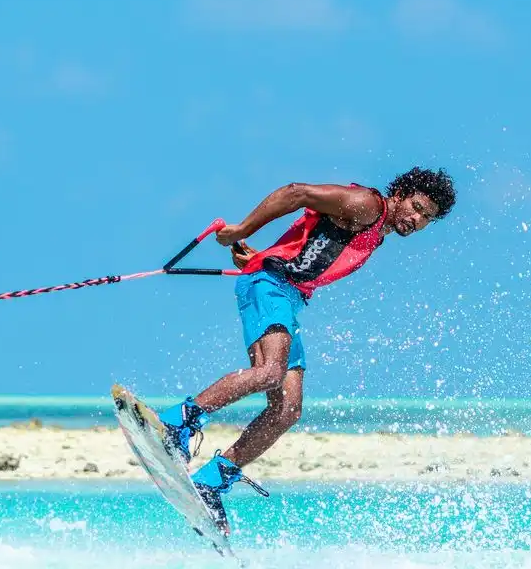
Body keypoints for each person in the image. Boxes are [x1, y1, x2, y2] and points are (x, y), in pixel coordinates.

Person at [158, 166, 457, 533]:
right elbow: (296, 192)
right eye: (416, 206)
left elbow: (308, 246)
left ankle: (211, 481)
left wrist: (263, 254)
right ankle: (178, 422)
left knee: (287, 409)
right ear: (401, 193)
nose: (416, 219)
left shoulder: (378, 230)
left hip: (286, 291)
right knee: (270, 372)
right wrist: (240, 231)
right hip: (270, 286)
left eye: (426, 217)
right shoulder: (366, 205)